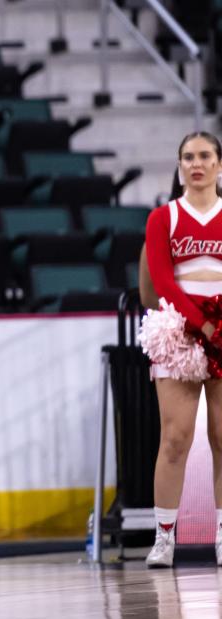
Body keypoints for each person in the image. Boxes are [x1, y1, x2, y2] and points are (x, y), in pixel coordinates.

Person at [143, 132, 222, 568]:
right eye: (188, 157)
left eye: (205, 155)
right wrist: (204, 324)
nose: (197, 163)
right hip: (180, 331)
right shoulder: (164, 218)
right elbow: (162, 282)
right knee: (175, 439)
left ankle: (221, 535)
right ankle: (164, 537)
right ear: (179, 166)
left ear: (219, 164)